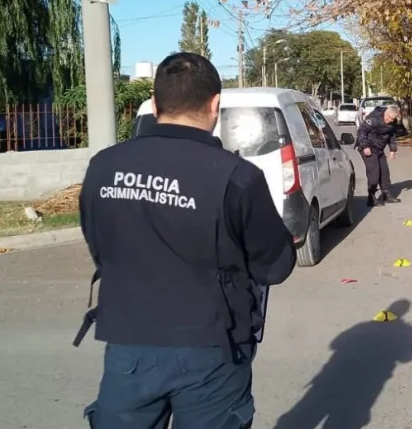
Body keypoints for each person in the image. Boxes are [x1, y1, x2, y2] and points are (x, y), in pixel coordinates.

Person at [74, 52, 297, 428]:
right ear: (215, 105)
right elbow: (274, 265)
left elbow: (99, 246)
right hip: (212, 347)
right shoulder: (236, 176)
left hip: (129, 343)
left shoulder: (103, 167)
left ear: (156, 104)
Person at [356, 105, 401, 206]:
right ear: (385, 113)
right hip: (368, 148)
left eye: (392, 119)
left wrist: (393, 149)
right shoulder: (373, 119)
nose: (389, 120)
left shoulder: (392, 123)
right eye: (388, 117)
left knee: (384, 172)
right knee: (374, 173)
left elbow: (392, 136)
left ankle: (387, 195)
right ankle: (371, 198)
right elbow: (361, 131)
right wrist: (365, 146)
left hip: (379, 149)